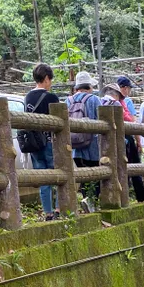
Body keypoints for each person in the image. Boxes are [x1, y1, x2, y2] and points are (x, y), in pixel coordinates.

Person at [23, 63, 59, 220]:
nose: (50, 83)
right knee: (59, 175)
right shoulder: (51, 97)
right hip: (49, 141)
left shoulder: (28, 97)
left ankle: (48, 212)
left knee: (43, 177)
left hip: (34, 143)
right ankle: (59, 208)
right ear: (46, 78)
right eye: (50, 79)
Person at [67, 71, 101, 206]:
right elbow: (102, 121)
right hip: (93, 147)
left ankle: (87, 199)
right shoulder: (94, 99)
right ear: (89, 86)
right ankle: (92, 202)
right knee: (96, 175)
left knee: (83, 176)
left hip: (75, 146)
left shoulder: (68, 100)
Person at [117, 75, 144, 202]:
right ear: (125, 88)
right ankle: (141, 197)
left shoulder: (109, 100)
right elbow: (133, 121)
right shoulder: (125, 101)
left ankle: (123, 197)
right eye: (129, 89)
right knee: (135, 166)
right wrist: (138, 141)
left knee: (121, 168)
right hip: (127, 137)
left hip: (116, 138)